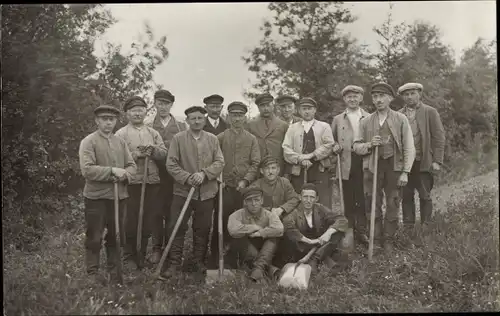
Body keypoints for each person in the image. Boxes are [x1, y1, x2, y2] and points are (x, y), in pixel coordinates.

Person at [160, 106, 225, 280]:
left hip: (206, 193)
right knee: (177, 226)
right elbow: (171, 164)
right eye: (193, 118)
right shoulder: (178, 139)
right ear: (187, 121)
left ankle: (198, 262)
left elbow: (220, 162)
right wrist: (188, 178)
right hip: (182, 192)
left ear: (204, 120)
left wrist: (204, 174)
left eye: (199, 118)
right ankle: (174, 263)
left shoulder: (212, 139)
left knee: (202, 228)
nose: (196, 121)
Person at [353, 82, 415, 255]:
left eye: (382, 96)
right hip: (372, 168)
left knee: (393, 203)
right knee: (372, 204)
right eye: (375, 97)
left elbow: (409, 146)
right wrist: (369, 145)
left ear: (390, 98)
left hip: (393, 167)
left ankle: (388, 240)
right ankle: (376, 240)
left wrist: (405, 172)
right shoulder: (365, 121)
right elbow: (356, 146)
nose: (378, 100)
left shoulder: (400, 119)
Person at [79, 105, 137, 282]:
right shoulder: (89, 141)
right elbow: (87, 170)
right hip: (96, 197)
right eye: (104, 119)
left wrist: (125, 174)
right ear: (97, 121)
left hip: (119, 197)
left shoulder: (120, 142)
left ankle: (115, 272)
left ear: (115, 121)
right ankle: (92, 273)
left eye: (111, 119)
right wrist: (112, 171)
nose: (108, 122)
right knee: (95, 236)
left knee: (116, 235)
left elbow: (132, 166)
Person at [115, 96, 167, 269]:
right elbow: (116, 157)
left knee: (148, 219)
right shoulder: (121, 134)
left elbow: (164, 153)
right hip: (131, 182)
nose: (137, 113)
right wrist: (135, 155)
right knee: (130, 219)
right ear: (127, 113)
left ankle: (141, 253)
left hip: (151, 182)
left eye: (140, 110)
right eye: (133, 110)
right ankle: (128, 256)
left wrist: (153, 151)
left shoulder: (153, 133)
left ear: (146, 112)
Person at [208, 101, 261, 268]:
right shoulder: (220, 138)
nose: (237, 118)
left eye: (240, 115)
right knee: (222, 220)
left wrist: (246, 180)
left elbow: (256, 162)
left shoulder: (251, 139)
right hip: (225, 188)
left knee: (243, 221)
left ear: (245, 117)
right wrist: (218, 179)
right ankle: (216, 256)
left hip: (244, 189)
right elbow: (212, 160)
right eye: (234, 115)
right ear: (228, 117)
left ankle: (239, 255)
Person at [398, 83, 445, 228]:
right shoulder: (398, 114)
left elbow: (439, 136)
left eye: (412, 93)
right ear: (402, 97)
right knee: (406, 196)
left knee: (425, 195)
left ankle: (426, 226)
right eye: (406, 94)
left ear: (419, 94)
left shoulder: (430, 112)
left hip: (423, 161)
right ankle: (409, 227)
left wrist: (437, 160)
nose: (409, 97)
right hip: (405, 163)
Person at [148, 89, 187, 264]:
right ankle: (157, 247)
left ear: (171, 105)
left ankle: (172, 249)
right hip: (155, 175)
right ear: (155, 103)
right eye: (160, 103)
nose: (162, 107)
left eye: (166, 103)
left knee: (174, 212)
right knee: (156, 212)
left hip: (175, 176)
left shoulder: (180, 126)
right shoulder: (148, 125)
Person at [331, 85, 371, 246]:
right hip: (346, 161)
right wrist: (334, 146)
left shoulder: (369, 117)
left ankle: (363, 230)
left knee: (362, 197)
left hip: (364, 161)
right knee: (348, 198)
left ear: (361, 98)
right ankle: (349, 231)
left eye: (355, 96)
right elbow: (331, 139)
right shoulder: (338, 119)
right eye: (349, 97)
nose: (352, 99)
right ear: (344, 100)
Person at [280, 183, 349, 274]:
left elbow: (342, 220)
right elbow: (288, 227)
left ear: (316, 199)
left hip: (319, 246)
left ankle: (315, 259)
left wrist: (328, 233)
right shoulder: (295, 212)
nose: (308, 200)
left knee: (337, 232)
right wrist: (309, 241)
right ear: (300, 197)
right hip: (301, 248)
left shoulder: (320, 209)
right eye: (305, 197)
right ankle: (320, 261)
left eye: (312, 197)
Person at [282, 97, 336, 207]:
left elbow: (329, 145)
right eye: (304, 108)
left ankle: (322, 223)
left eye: (309, 108)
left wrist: (312, 156)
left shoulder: (324, 126)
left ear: (315, 110)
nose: (307, 111)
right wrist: (300, 159)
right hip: (299, 170)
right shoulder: (292, 128)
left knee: (322, 201)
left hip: (320, 170)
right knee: (299, 200)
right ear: (299, 111)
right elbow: (286, 149)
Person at [227, 187, 284, 282]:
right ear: (245, 202)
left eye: (257, 200)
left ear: (262, 201)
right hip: (245, 249)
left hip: (264, 247)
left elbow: (279, 229)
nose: (253, 204)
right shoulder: (236, 215)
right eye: (249, 201)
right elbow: (233, 230)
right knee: (239, 238)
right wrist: (254, 227)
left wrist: (261, 233)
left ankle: (258, 269)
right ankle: (268, 269)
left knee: (273, 238)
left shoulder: (269, 214)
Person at [246, 93, 288, 176]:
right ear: (258, 108)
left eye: (268, 105)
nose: (266, 109)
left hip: (278, 169)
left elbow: (287, 149)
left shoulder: (283, 125)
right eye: (262, 106)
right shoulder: (250, 125)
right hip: (258, 170)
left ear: (273, 106)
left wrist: (287, 172)